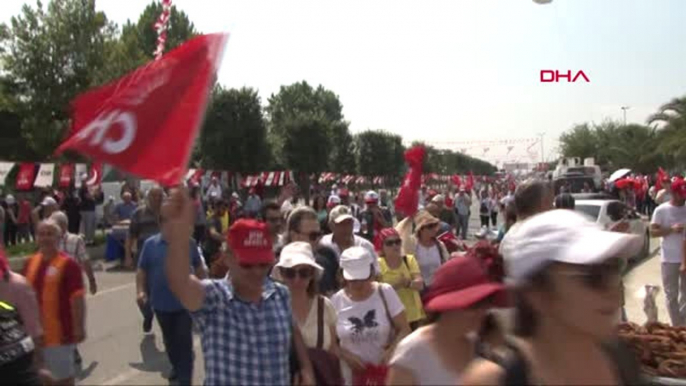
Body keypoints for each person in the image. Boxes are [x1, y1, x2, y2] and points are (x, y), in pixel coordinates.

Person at [462, 210, 644, 385]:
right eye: (593, 276)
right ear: (537, 294)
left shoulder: (621, 359)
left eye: (613, 267)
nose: (613, 288)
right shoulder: (495, 380)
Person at [163, 187, 314, 386]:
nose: (257, 272)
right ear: (228, 258)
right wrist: (179, 238)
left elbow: (294, 332)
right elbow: (180, 282)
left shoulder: (281, 294)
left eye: (263, 264)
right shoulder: (214, 298)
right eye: (247, 265)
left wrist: (306, 368)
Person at [387, 253, 509, 385]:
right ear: (448, 306)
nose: (482, 311)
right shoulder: (412, 352)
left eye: (486, 302)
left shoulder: (480, 345)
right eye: (474, 305)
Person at [136, 216, 207, 384]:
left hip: (184, 304)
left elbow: (198, 267)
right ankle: (176, 366)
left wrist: (205, 290)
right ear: (161, 224)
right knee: (170, 341)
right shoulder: (150, 245)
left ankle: (184, 379)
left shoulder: (188, 243)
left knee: (184, 343)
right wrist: (140, 291)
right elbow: (142, 270)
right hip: (160, 304)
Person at [331, 246, 411, 385]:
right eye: (353, 279)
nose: (358, 283)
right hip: (350, 378)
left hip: (385, 374)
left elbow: (405, 329)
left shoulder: (385, 292)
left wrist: (390, 352)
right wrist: (346, 356)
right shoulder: (336, 301)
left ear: (372, 272)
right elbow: (331, 343)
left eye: (363, 277)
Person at [23, 219, 86, 385]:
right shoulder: (31, 262)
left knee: (63, 380)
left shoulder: (69, 264)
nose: (45, 238)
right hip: (35, 337)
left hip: (60, 336)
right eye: (41, 234)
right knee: (44, 380)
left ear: (59, 238)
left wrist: (78, 327)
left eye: (50, 234)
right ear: (36, 238)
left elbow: (77, 298)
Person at [272, 242, 343, 385]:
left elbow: (333, 351)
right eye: (290, 273)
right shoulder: (271, 308)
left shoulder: (325, 306)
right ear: (281, 274)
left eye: (304, 273)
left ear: (312, 274)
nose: (297, 279)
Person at [126, 186, 163, 333]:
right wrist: (128, 255)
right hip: (144, 260)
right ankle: (148, 315)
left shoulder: (168, 213)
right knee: (142, 294)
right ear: (148, 198)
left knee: (162, 291)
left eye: (160, 197)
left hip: (164, 259)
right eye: (154, 197)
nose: (157, 199)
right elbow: (130, 236)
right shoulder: (138, 214)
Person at [651, 178, 686, 326]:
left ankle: (683, 324)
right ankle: (677, 326)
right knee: (671, 295)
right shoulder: (661, 210)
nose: (683, 197)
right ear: (673, 193)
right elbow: (653, 232)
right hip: (669, 259)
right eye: (681, 194)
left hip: (685, 258)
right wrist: (671, 230)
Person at [376, 228, 425, 330]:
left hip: (413, 316)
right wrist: (397, 285)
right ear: (382, 246)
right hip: (390, 317)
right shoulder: (378, 264)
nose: (395, 246)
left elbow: (420, 284)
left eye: (397, 242)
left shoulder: (409, 259)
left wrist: (408, 284)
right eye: (389, 243)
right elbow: (377, 293)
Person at [285, 207, 340, 297]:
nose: (318, 239)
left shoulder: (328, 256)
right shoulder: (280, 265)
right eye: (313, 235)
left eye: (319, 234)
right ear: (294, 236)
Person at [320, 205, 380, 275]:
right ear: (331, 225)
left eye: (349, 223)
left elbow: (375, 272)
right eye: (341, 224)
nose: (346, 228)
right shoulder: (323, 244)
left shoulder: (365, 246)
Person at [411, 211, 450, 287]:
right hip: (421, 290)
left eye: (434, 225)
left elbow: (446, 264)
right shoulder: (414, 246)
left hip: (438, 287)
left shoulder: (440, 245)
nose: (434, 229)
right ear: (421, 229)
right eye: (430, 226)